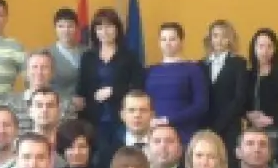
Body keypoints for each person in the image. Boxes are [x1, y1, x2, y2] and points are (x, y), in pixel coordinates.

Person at [76, 9, 144, 150]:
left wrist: (114, 91)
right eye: (99, 28)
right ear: (94, 31)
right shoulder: (87, 57)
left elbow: (138, 86)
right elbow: (82, 87)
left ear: (117, 29)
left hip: (121, 118)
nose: (104, 32)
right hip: (93, 119)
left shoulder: (129, 56)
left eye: (109, 27)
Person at [144, 23, 209, 146]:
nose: (167, 43)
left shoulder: (194, 70)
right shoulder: (151, 71)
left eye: (172, 39)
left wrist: (169, 120)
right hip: (155, 133)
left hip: (184, 133)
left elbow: (201, 105)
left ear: (181, 41)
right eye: (163, 39)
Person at [244, 28, 278, 168]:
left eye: (269, 46)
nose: (265, 51)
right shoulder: (247, 75)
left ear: (275, 49)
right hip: (252, 130)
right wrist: (248, 115)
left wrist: (271, 120)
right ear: (254, 48)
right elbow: (240, 103)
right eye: (261, 46)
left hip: (275, 131)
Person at [201, 19, 248, 159]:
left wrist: (221, 122)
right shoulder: (201, 64)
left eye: (224, 36)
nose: (219, 40)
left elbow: (240, 97)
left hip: (230, 124)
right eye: (215, 36)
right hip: (206, 124)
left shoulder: (239, 63)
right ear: (210, 39)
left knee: (229, 161)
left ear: (230, 39)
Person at [6, 51, 75, 134]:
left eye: (44, 67)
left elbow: (70, 136)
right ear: (26, 72)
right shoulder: (11, 104)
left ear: (52, 73)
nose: (39, 72)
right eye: (34, 67)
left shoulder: (66, 104)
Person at [48, 8, 86, 115]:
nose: (66, 30)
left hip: (87, 110)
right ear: (55, 28)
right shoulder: (47, 54)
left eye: (70, 26)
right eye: (61, 26)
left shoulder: (87, 52)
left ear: (77, 28)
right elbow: (42, 86)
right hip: (59, 110)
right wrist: (68, 100)